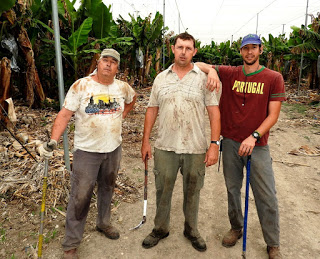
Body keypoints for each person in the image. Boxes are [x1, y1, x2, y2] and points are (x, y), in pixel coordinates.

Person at [39, 48, 137, 259]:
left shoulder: (122, 87)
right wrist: (53, 141)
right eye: (105, 60)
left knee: (107, 188)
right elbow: (64, 115)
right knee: (80, 196)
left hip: (113, 149)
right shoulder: (81, 85)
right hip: (87, 152)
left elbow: (132, 99)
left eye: (113, 62)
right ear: (98, 62)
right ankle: (71, 244)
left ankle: (103, 223)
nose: (108, 65)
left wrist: (122, 115)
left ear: (117, 67)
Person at [197, 33, 286, 259]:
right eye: (245, 48)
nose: (249, 52)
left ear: (261, 50)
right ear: (240, 51)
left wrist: (254, 136)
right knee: (232, 190)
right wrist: (214, 70)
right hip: (231, 143)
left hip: (257, 145)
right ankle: (236, 227)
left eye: (253, 48)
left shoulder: (273, 77)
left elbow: (273, 115)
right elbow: (198, 64)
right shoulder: (231, 73)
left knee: (266, 195)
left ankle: (272, 242)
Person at [141, 32, 221, 252]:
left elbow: (214, 113)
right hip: (165, 145)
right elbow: (152, 109)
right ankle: (160, 228)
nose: (183, 52)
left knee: (193, 191)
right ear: (173, 49)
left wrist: (214, 144)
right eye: (180, 47)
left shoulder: (204, 79)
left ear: (194, 52)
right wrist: (145, 141)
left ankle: (191, 229)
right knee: (162, 189)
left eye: (188, 48)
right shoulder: (161, 78)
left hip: (195, 147)